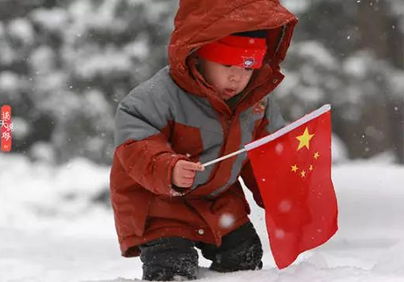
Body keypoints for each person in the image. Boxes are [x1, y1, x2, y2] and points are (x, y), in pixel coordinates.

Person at [110, 0, 298, 280]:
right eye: (227, 65)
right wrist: (169, 169)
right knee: (172, 264)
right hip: (161, 203)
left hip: (218, 202)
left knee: (244, 256)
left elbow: (264, 158)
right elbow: (134, 144)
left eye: (248, 68)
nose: (237, 78)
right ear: (198, 56)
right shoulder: (158, 97)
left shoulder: (255, 105)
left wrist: (281, 196)